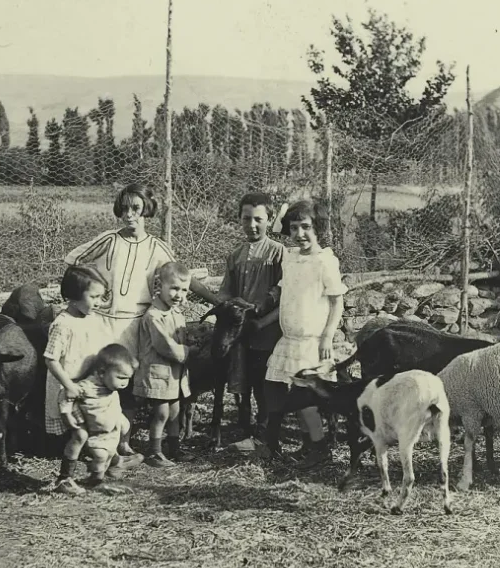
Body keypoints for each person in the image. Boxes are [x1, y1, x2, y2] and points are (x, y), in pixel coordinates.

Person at [63, 183, 217, 456]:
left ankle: (124, 442)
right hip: (105, 322)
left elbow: (183, 278)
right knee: (101, 380)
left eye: (135, 208)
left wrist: (216, 301)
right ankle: (96, 442)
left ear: (147, 209)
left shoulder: (157, 247)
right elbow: (73, 260)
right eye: (124, 209)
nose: (129, 215)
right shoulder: (109, 240)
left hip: (137, 324)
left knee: (129, 384)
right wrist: (97, 289)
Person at [253, 199, 347, 469]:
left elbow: (337, 302)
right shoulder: (291, 258)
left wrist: (327, 336)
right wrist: (264, 320)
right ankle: (301, 445)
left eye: (306, 227)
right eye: (294, 228)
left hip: (311, 343)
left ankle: (320, 448)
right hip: (289, 340)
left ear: (318, 228)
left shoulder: (325, 261)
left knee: (307, 399)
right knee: (285, 394)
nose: (299, 234)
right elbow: (287, 296)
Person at [42, 265, 143, 495]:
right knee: (80, 434)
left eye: (100, 297)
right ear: (74, 296)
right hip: (71, 391)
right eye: (94, 297)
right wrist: (68, 385)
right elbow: (50, 359)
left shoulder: (91, 319)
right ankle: (64, 479)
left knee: (107, 426)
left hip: (93, 388)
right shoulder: (63, 324)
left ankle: (107, 465)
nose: (98, 302)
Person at [213, 192, 285, 437]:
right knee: (241, 375)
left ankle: (265, 426)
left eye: (258, 219)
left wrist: (264, 305)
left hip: (266, 329)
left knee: (264, 379)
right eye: (246, 219)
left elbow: (283, 288)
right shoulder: (235, 256)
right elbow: (225, 291)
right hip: (240, 330)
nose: (252, 225)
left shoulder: (278, 252)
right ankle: (245, 423)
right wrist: (227, 303)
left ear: (269, 220)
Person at [49, 344, 143, 495]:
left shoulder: (110, 387)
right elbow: (66, 396)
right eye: (121, 378)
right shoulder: (87, 386)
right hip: (95, 433)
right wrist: (66, 414)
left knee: (108, 454)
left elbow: (112, 407)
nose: (124, 383)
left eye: (127, 379)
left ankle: (110, 468)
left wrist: (122, 421)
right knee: (100, 455)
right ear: (102, 372)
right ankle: (68, 479)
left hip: (109, 431)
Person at [133, 261, 193, 468]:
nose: (179, 295)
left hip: (174, 374)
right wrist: (188, 352)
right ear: (160, 286)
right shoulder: (154, 316)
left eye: (184, 290)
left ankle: (174, 446)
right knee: (162, 413)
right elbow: (165, 346)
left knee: (175, 412)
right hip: (157, 372)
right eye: (174, 288)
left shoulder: (176, 313)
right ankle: (154, 451)